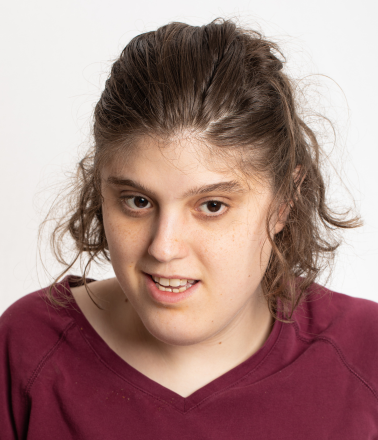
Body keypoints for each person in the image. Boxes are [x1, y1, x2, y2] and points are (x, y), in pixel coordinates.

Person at [1, 17, 377, 439]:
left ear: (284, 204)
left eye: (212, 205)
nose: (164, 247)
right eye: (137, 202)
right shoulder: (26, 349)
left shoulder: (366, 355)